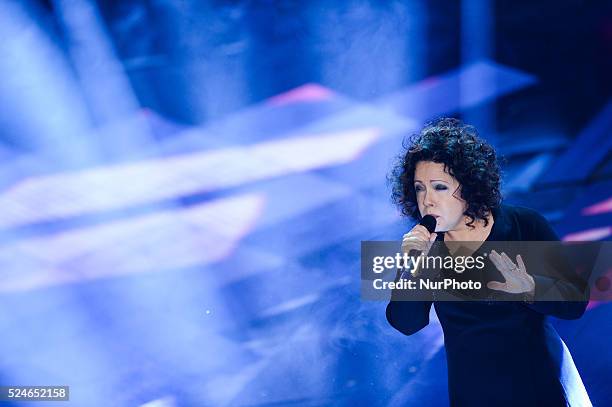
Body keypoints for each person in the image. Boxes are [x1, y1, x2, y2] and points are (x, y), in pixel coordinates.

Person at [385, 118, 591, 406]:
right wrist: (412, 266)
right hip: (472, 393)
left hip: (537, 387)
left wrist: (530, 288)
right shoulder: (429, 252)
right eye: (420, 188)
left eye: (440, 187)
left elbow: (575, 301)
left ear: (469, 186)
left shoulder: (522, 225)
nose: (427, 200)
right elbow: (406, 322)